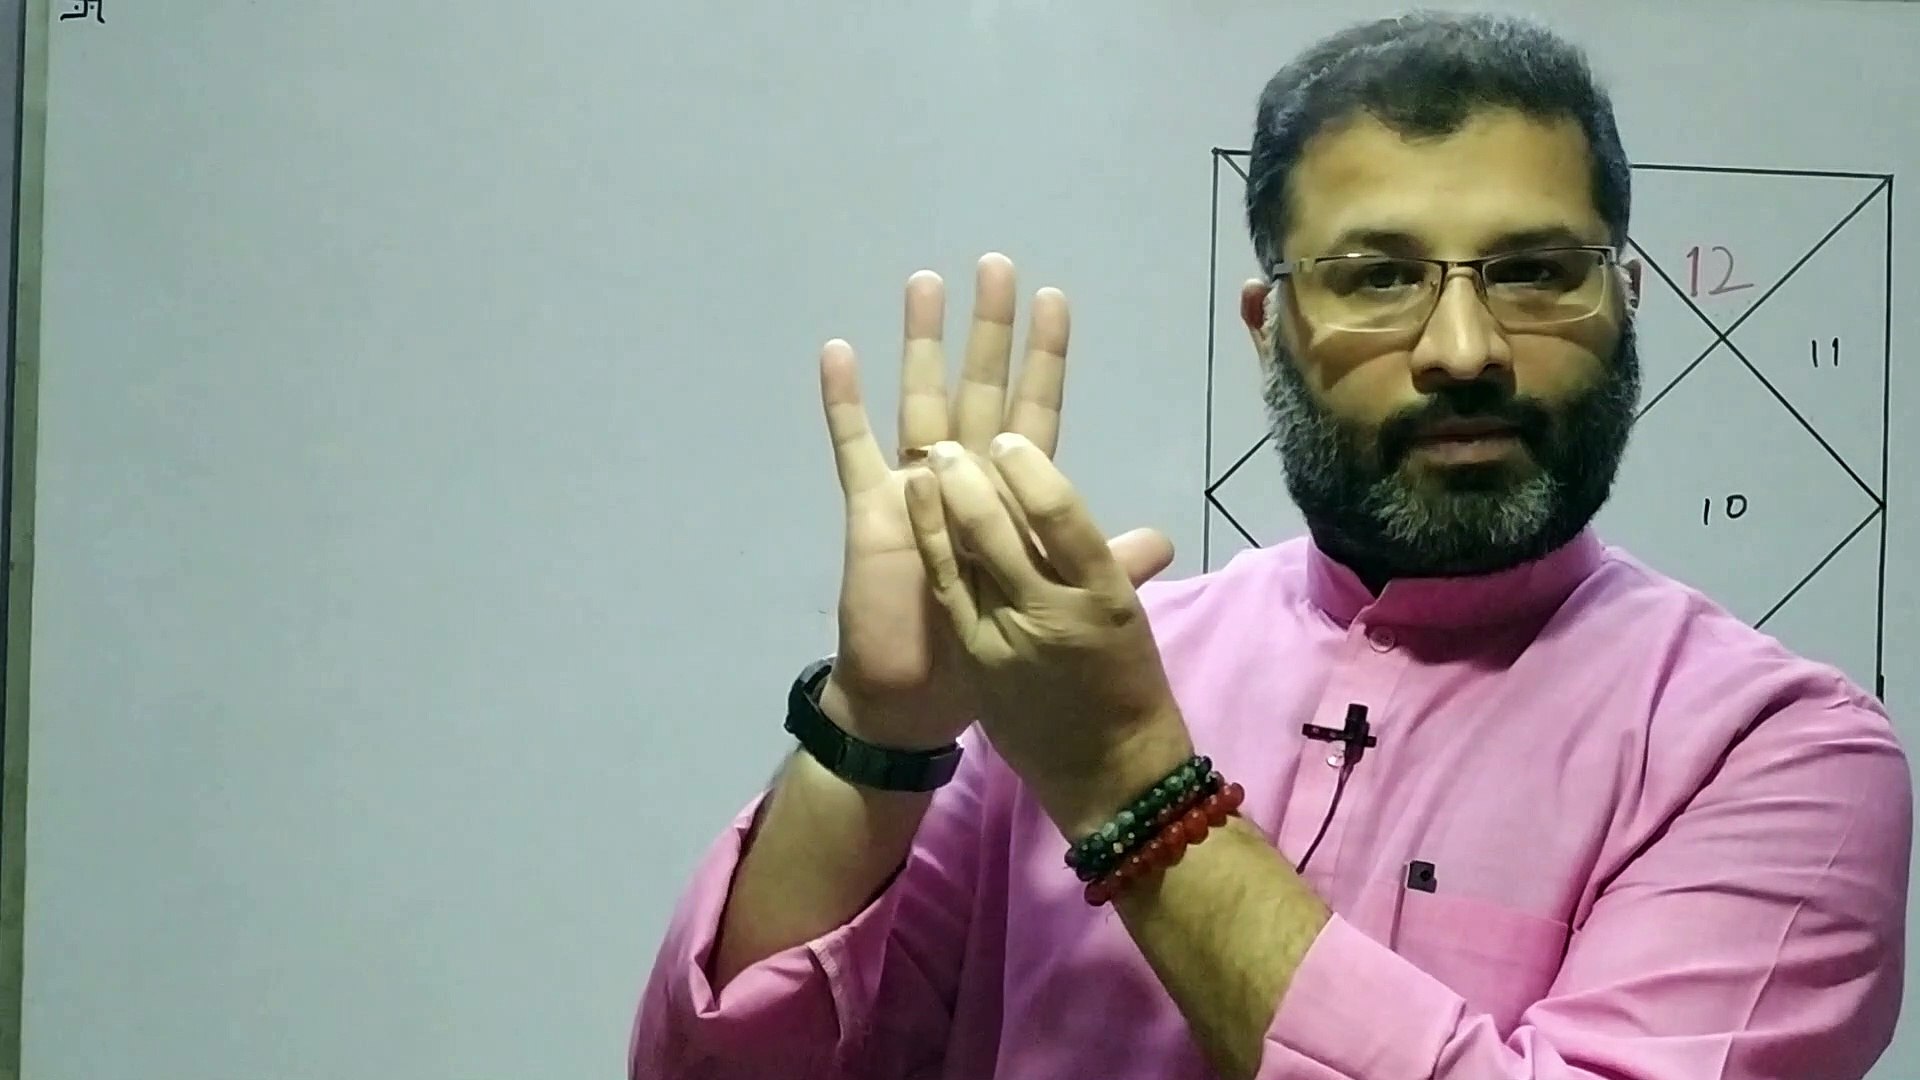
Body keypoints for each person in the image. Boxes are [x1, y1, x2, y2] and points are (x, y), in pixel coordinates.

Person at [628, 11, 1910, 1080]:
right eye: (1377, 277)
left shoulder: (1775, 753)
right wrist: (876, 731)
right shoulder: (1068, 682)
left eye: (1532, 271)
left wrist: (1129, 783)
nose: (1464, 349)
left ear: (1624, 304)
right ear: (1270, 328)